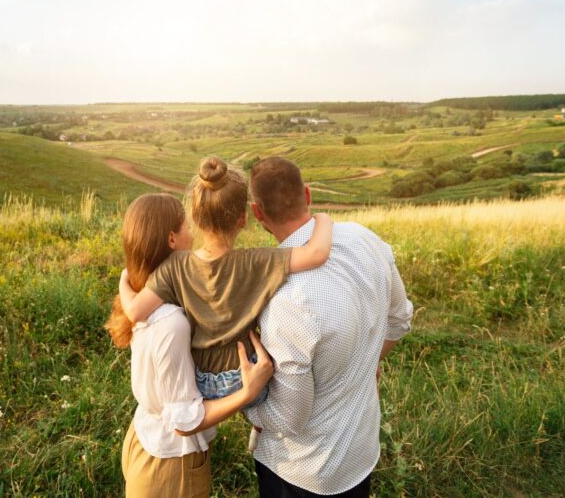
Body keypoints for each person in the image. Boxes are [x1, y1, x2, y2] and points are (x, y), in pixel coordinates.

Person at [245, 156, 414, 497]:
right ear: (307, 195)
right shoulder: (365, 239)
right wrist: (364, 363)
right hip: (361, 452)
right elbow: (400, 319)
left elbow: (289, 421)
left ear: (257, 212)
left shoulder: (285, 300)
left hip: (302, 472)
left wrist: (247, 402)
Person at [119, 156, 333, 414]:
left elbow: (134, 312)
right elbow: (317, 253)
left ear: (196, 218)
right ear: (243, 219)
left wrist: (124, 281)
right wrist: (323, 219)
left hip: (200, 383)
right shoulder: (256, 261)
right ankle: (260, 424)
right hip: (244, 377)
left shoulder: (175, 265)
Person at [106, 193, 275, 497]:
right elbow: (185, 421)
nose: (193, 233)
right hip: (172, 461)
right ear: (172, 239)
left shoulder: (141, 292)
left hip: (144, 437)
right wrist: (248, 392)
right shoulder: (171, 322)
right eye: (186, 227)